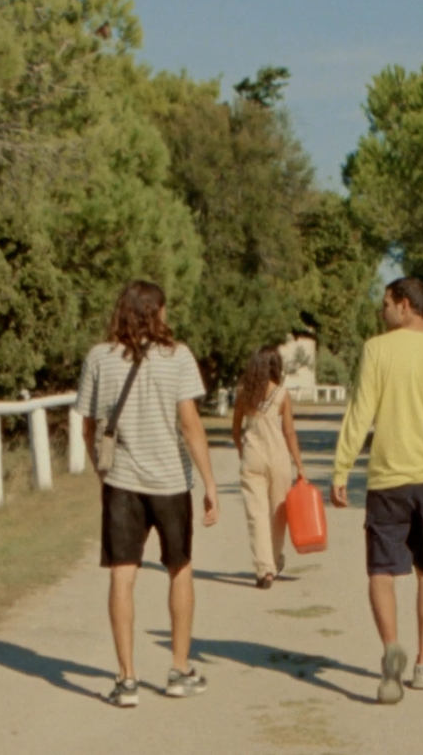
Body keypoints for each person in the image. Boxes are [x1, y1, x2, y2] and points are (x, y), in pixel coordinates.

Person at [331, 277, 423, 705]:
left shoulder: (378, 349)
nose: (383, 311)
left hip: (388, 480)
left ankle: (391, 645)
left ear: (407, 305)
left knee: (381, 569)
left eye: (387, 303)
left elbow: (361, 412)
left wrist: (342, 467)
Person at [74, 280, 221, 708]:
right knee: (180, 569)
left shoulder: (99, 358)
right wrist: (209, 483)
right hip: (171, 483)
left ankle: (126, 679)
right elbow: (190, 424)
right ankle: (179, 669)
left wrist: (103, 473)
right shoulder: (178, 357)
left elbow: (87, 425)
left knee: (123, 573)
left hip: (121, 482)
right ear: (156, 313)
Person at [230, 345, 306, 589]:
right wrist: (300, 465)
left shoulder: (244, 393)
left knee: (256, 515)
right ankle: (273, 560)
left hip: (252, 457)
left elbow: (235, 429)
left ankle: (265, 569)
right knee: (277, 513)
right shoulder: (282, 395)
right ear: (276, 366)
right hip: (278, 458)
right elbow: (290, 432)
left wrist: (242, 451)